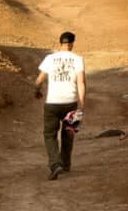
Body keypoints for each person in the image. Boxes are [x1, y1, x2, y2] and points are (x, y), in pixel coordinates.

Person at [34, 31, 86, 180]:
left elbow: (39, 80)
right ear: (72, 44)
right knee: (68, 133)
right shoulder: (78, 59)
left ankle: (55, 164)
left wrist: (36, 91)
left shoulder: (50, 58)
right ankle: (66, 164)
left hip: (52, 103)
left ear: (60, 43)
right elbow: (81, 82)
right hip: (70, 102)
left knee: (49, 135)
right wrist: (81, 105)